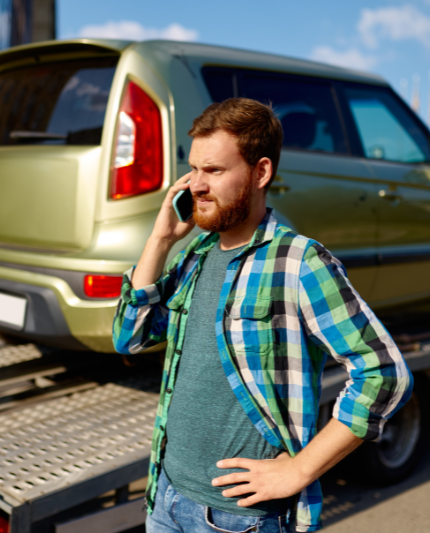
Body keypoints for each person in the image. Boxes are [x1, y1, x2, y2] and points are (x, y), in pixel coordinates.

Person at [113, 98, 414, 533]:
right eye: (193, 169)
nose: (196, 184)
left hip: (238, 520)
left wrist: (300, 470)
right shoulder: (195, 255)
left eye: (213, 171)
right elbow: (129, 337)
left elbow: (384, 373)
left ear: (261, 172)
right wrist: (160, 240)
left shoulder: (300, 262)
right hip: (166, 498)